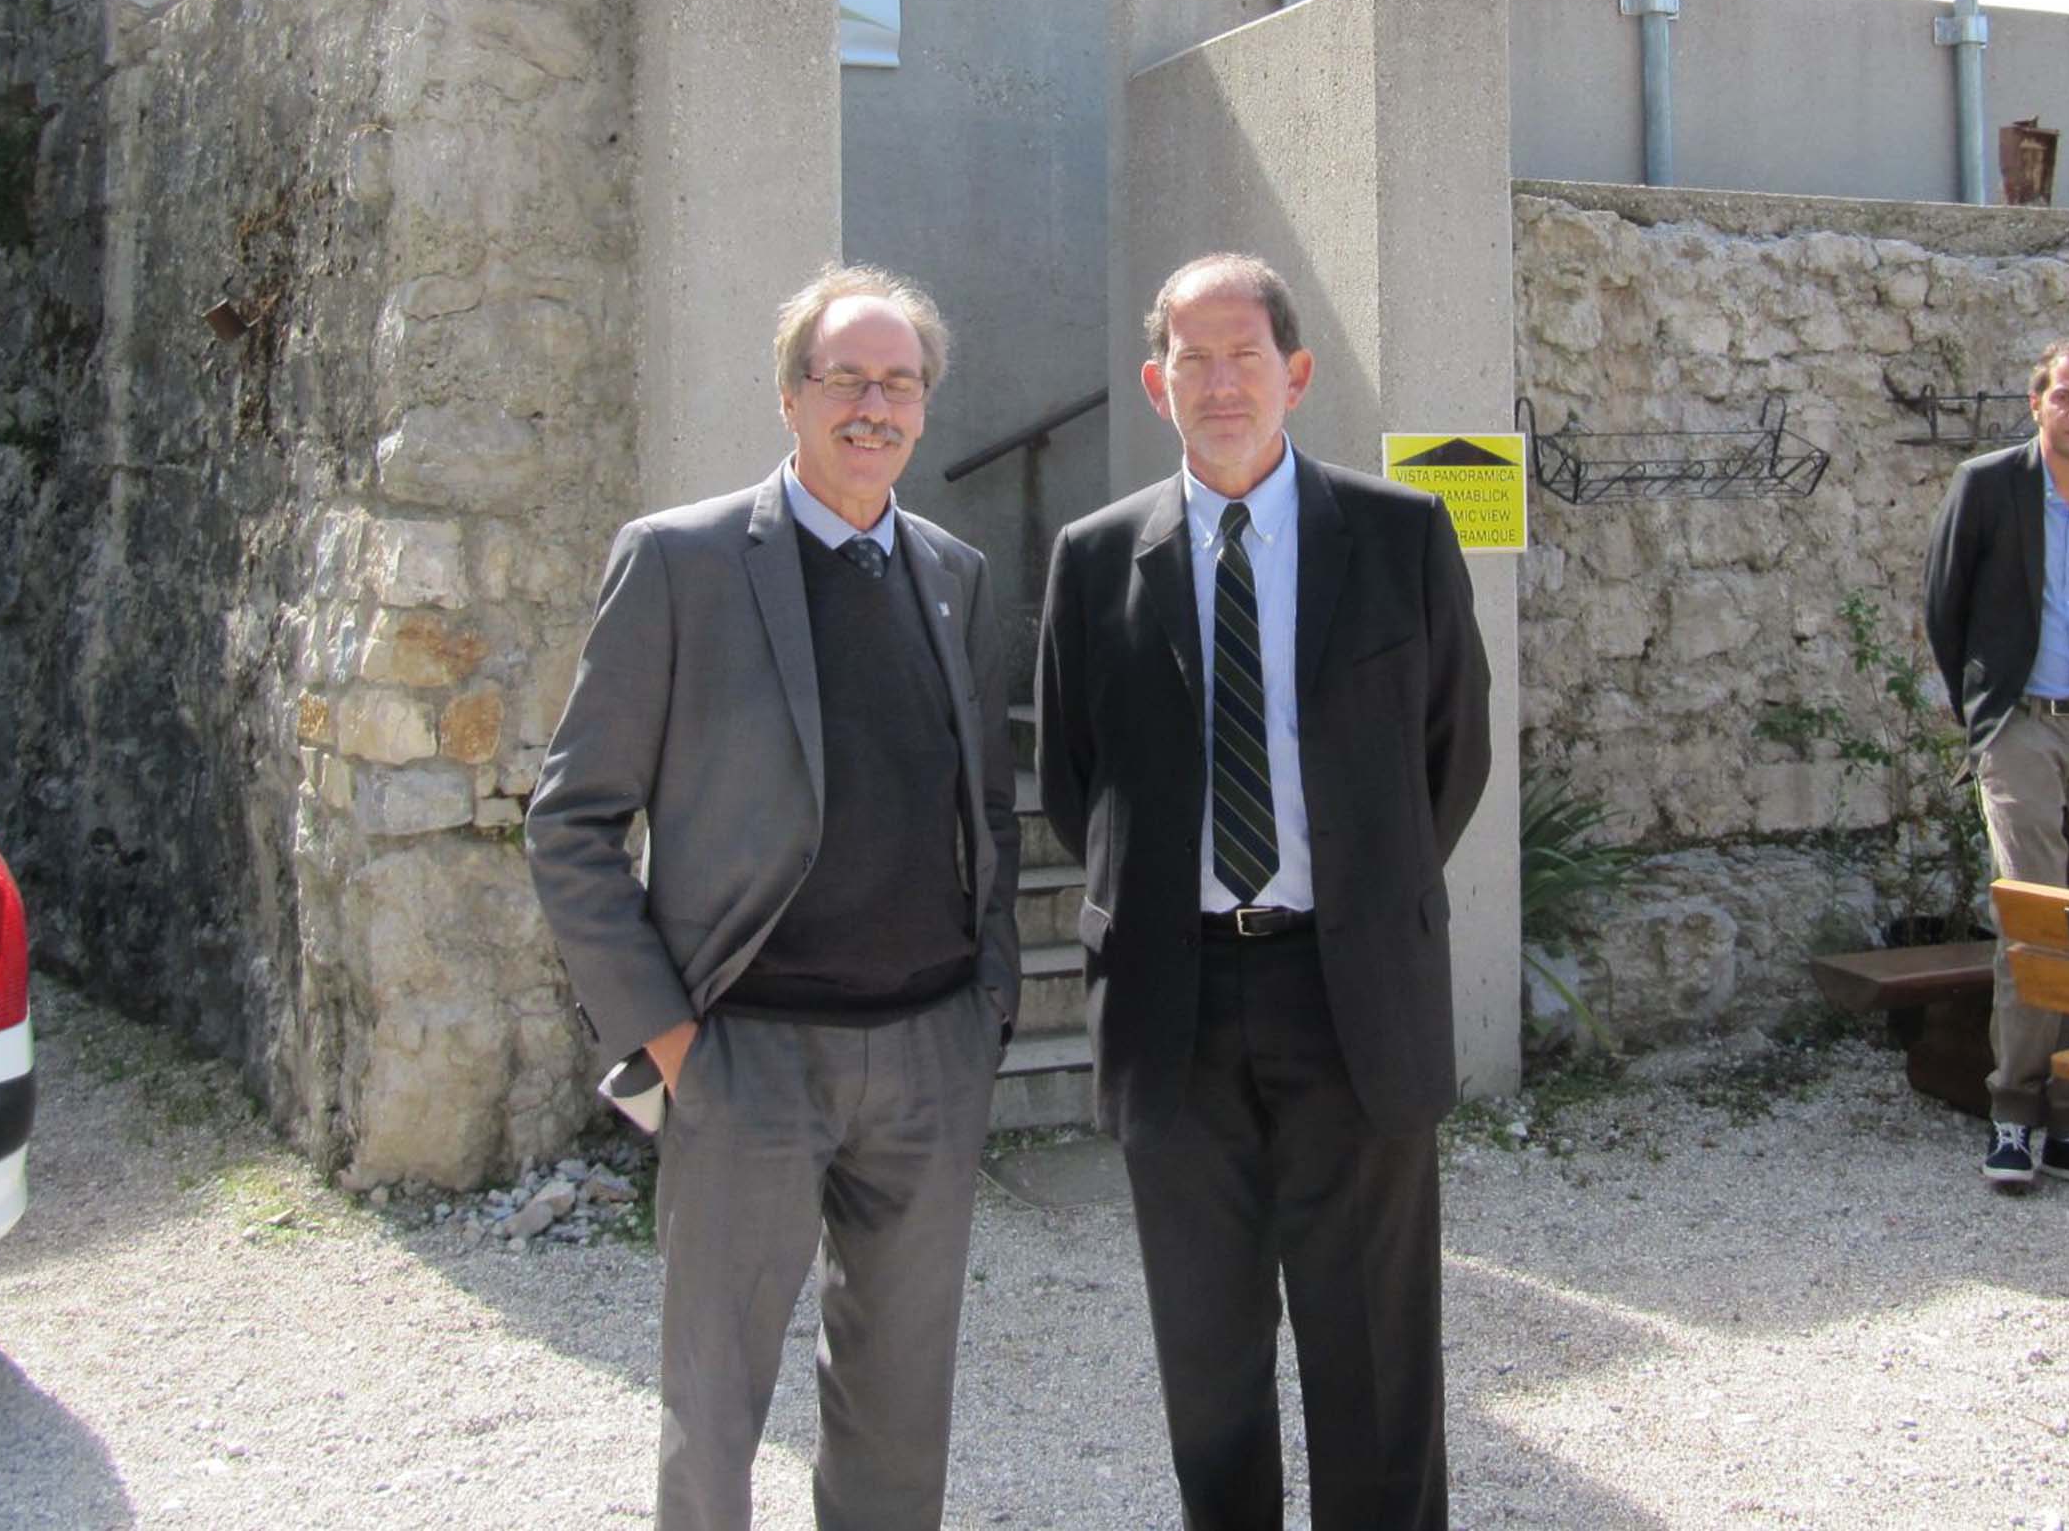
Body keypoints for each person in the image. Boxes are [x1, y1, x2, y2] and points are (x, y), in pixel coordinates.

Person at [525, 266, 1019, 1531]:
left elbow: (990, 820)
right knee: (714, 1415)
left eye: (899, 382)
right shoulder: (682, 563)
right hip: (745, 1058)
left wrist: (988, 1011)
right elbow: (573, 822)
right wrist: (671, 1043)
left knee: (901, 1418)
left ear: (924, 405)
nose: (874, 405)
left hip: (926, 1057)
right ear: (789, 396)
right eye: (844, 378)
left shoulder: (955, 572)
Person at [1035, 252, 1491, 1531]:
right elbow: (1079, 781)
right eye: (1194, 358)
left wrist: (1352, 897)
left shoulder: (1400, 536)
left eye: (1247, 357)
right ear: (1155, 381)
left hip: (1350, 995)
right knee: (1208, 1351)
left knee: (1377, 1359)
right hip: (1174, 1006)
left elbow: (1450, 756)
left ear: (1296, 374)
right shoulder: (1095, 557)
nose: (1221, 382)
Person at [1923, 333, 2069, 1197]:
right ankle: (2013, 1118)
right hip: (2020, 727)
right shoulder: (1988, 486)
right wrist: (1986, 718)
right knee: (2037, 922)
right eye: (2065, 396)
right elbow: (1942, 607)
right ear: (2037, 404)